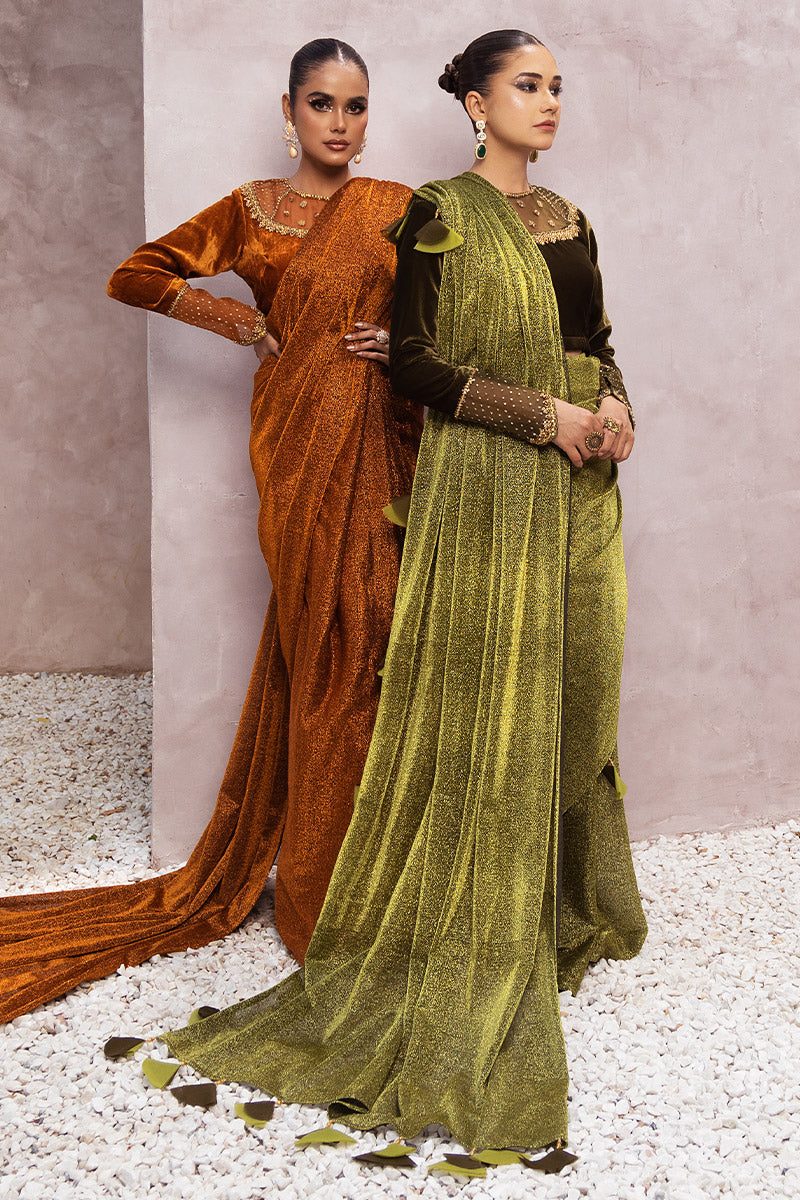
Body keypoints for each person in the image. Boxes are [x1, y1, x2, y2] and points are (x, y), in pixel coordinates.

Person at [162, 30, 647, 1154]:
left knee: (580, 687)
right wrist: (542, 415)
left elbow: (597, 338)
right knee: (461, 686)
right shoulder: (434, 212)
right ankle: (458, 911)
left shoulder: (569, 216)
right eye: (526, 85)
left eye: (556, 86)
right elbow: (420, 365)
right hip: (484, 479)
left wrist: (617, 405)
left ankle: (566, 902)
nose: (548, 102)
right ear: (475, 102)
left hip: (587, 486)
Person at [0, 39, 422, 1022]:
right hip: (294, 443)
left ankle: (371, 874)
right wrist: (237, 322)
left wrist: (402, 345)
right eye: (321, 104)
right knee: (323, 642)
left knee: (374, 637)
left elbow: (451, 318)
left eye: (355, 106)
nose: (339, 124)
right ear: (289, 112)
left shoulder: (399, 208)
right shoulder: (251, 210)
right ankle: (320, 895)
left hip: (380, 441)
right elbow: (137, 273)